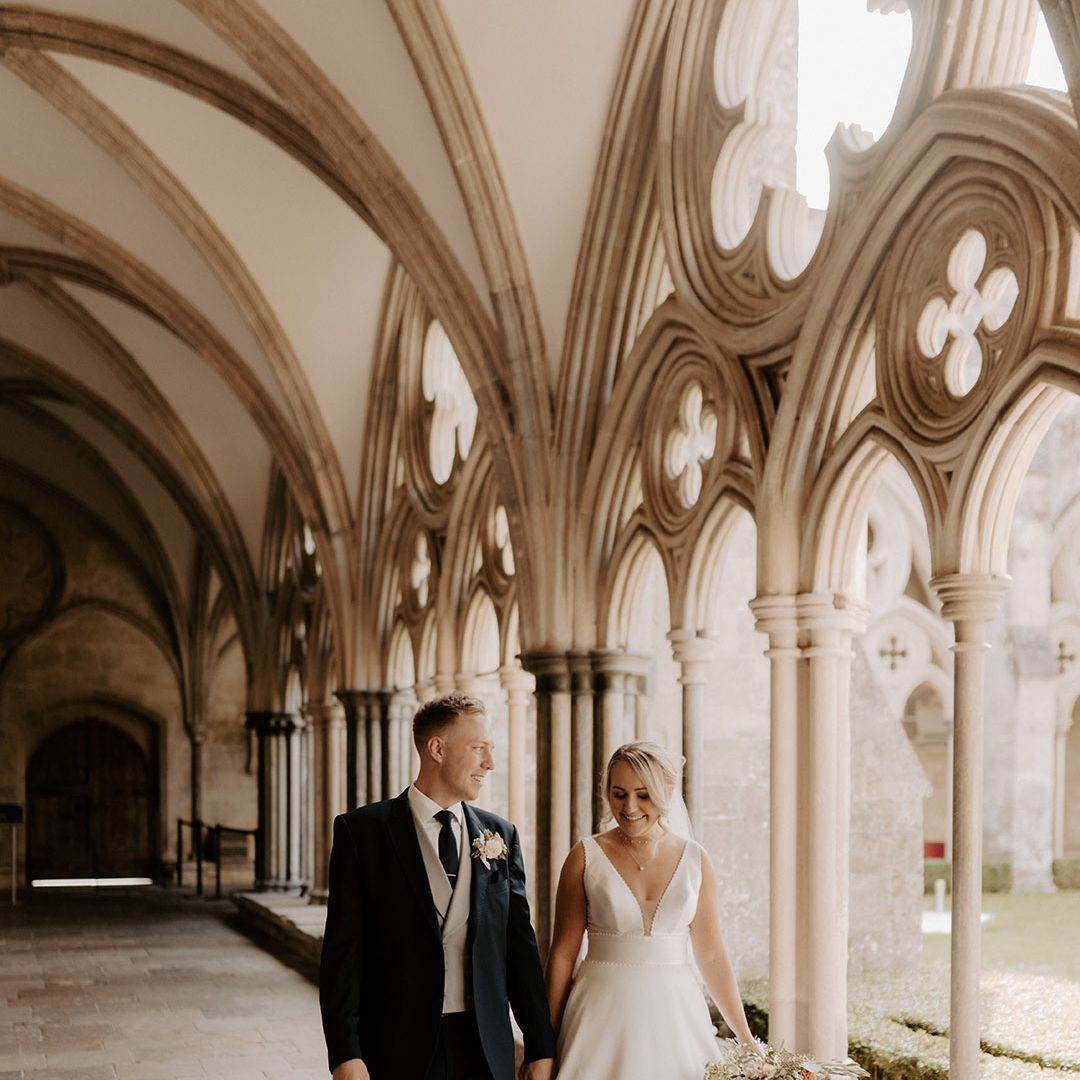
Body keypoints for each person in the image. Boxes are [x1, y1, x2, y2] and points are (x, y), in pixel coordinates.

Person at [319, 692, 555, 1080]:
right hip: (394, 1047)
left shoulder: (501, 835)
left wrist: (540, 1044)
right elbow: (343, 953)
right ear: (437, 749)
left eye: (490, 750)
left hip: (484, 1048)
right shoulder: (362, 833)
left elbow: (520, 951)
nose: (490, 763)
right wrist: (345, 1053)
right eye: (478, 748)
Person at [545, 741, 758, 1079]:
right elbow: (561, 955)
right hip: (598, 1018)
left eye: (643, 795)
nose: (629, 807)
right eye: (618, 794)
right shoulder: (584, 856)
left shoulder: (695, 860)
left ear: (667, 792)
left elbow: (713, 954)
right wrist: (544, 1047)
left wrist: (747, 1040)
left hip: (676, 1017)